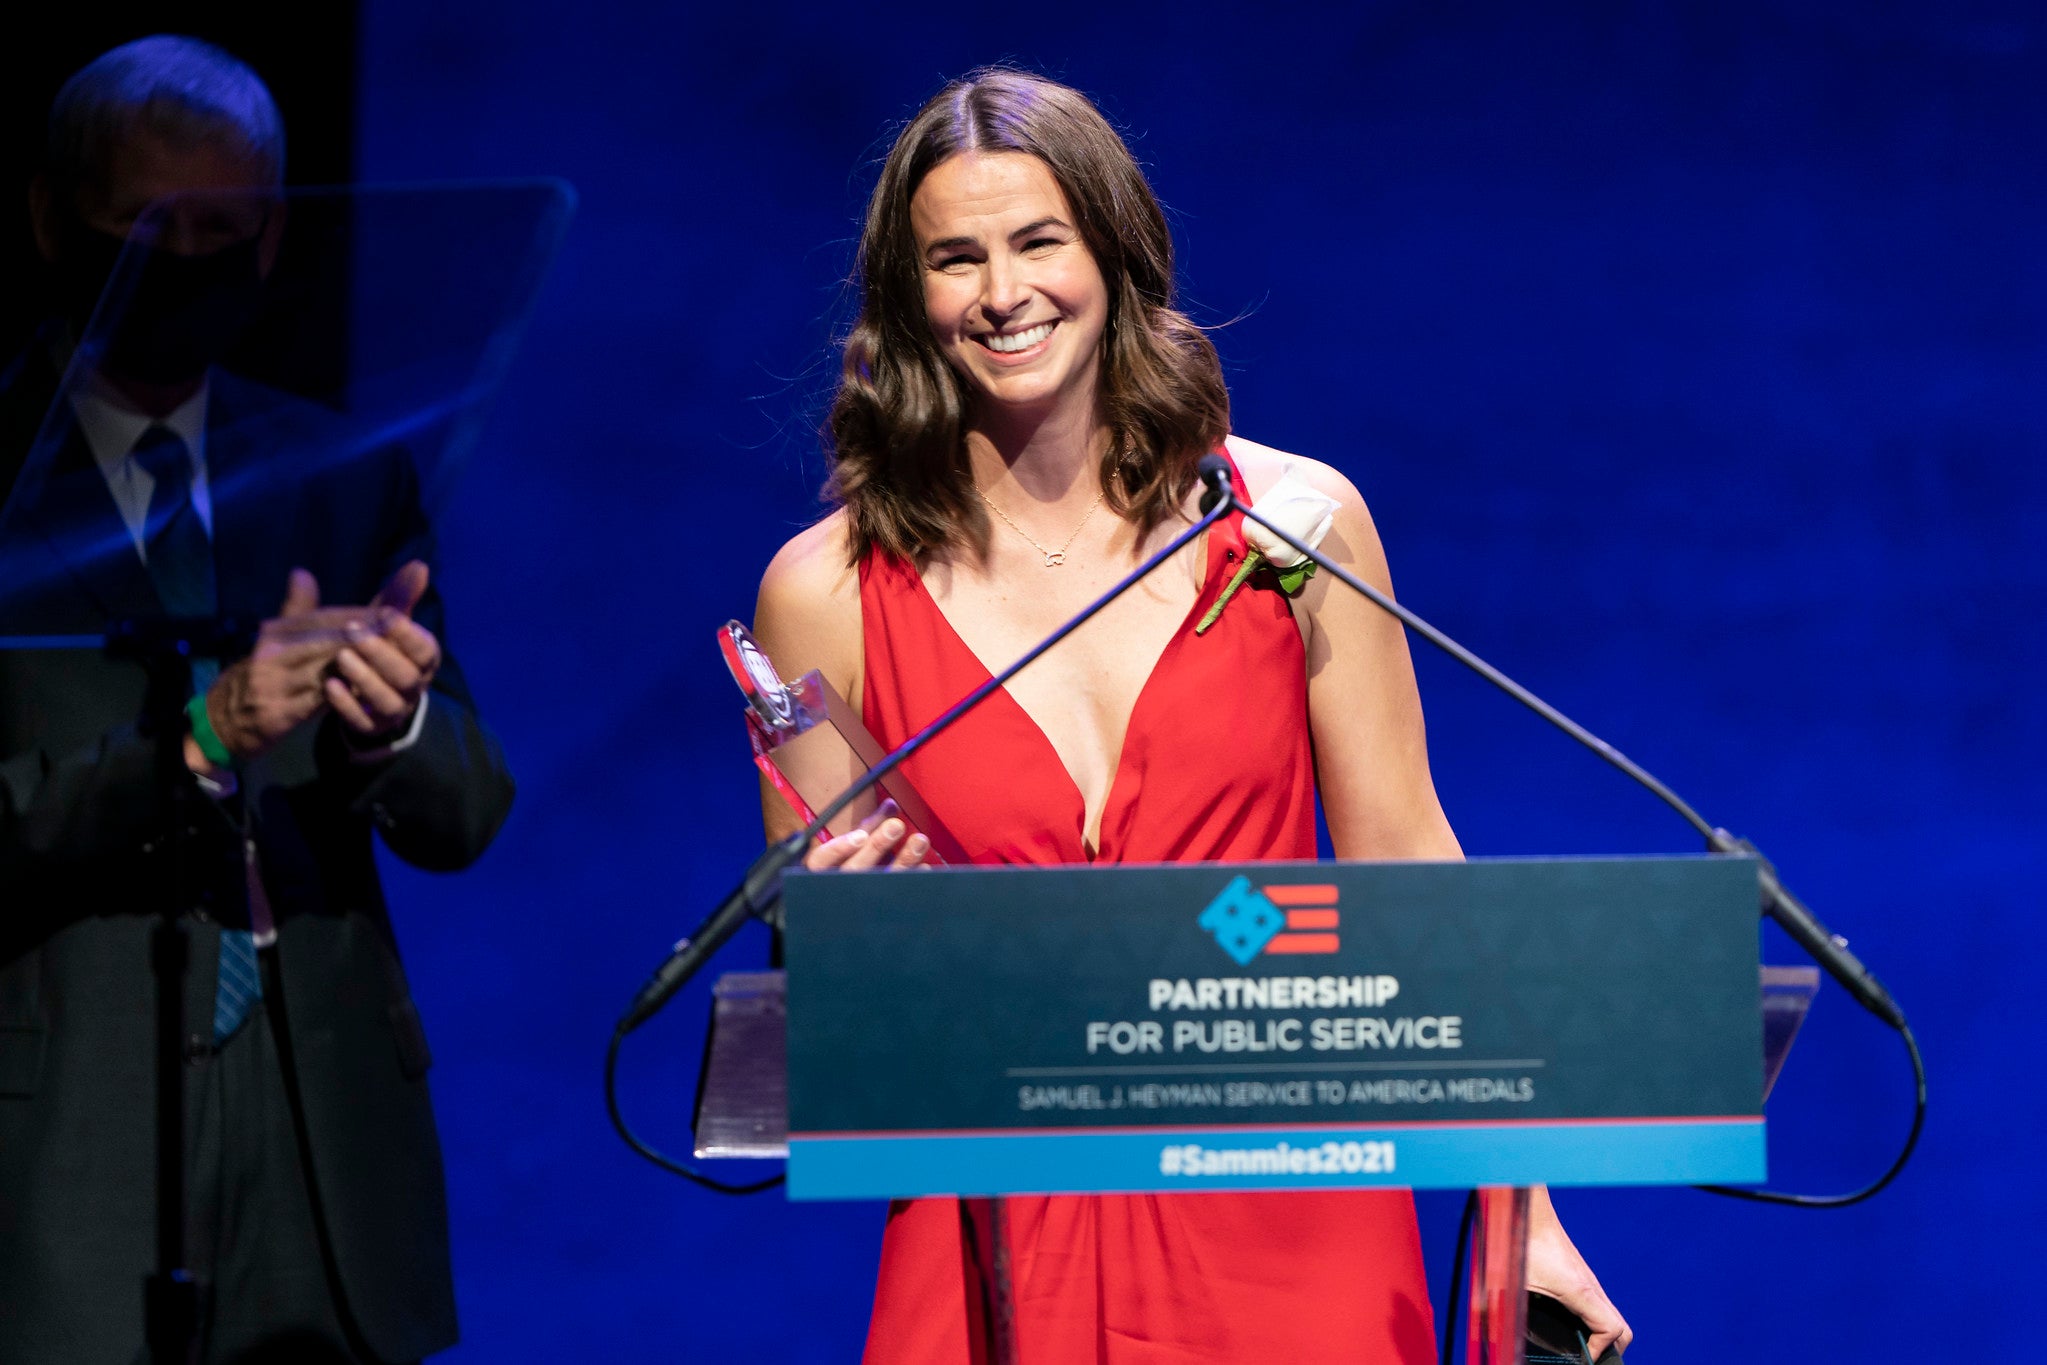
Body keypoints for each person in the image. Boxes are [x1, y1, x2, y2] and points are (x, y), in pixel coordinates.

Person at [752, 68, 1632, 1362]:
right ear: (908, 293)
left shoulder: (1292, 527)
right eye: (957, 258)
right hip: (994, 1243)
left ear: (1113, 251)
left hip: (1294, 1209)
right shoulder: (825, 590)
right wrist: (837, 932)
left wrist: (1523, 1215)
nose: (1004, 293)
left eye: (1039, 241)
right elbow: (813, 1007)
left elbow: (1408, 867)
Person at [0, 37, 512, 1363]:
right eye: (152, 228)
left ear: (274, 241)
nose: (192, 263)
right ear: (57, 221)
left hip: (316, 1124)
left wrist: (387, 721)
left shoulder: (338, 476)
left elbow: (462, 811)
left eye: (228, 230)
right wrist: (196, 741)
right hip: (68, 1123)